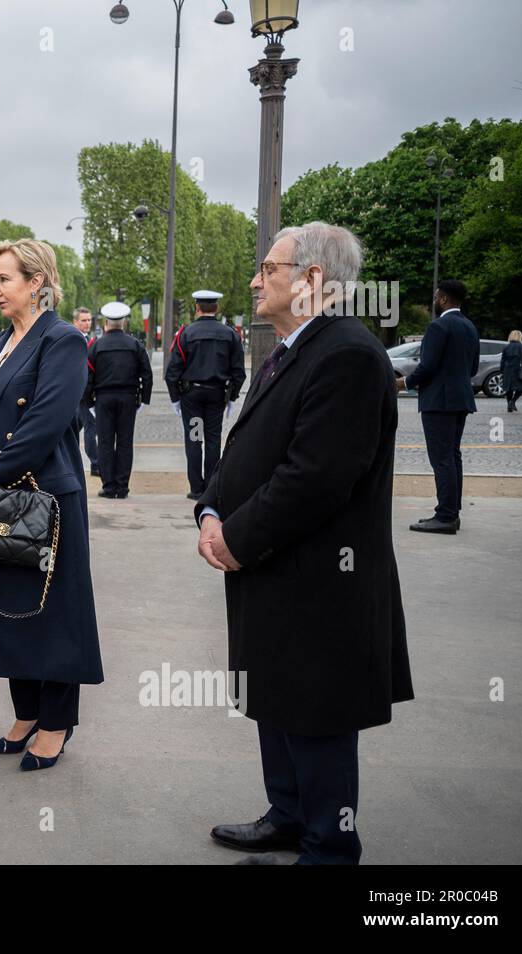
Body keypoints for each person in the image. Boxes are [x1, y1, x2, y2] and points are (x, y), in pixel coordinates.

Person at [196, 222, 413, 865]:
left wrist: (237, 537)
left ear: (312, 279)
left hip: (321, 581)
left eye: (271, 266)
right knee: (276, 697)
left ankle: (328, 843)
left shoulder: (346, 353)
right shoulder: (292, 346)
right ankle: (288, 815)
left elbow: (315, 478)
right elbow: (244, 447)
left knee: (316, 713)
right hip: (274, 571)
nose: (257, 278)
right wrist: (211, 507)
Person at [0, 238, 103, 771]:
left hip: (42, 499)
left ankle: (56, 722)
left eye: (5, 279)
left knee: (53, 613)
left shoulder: (61, 340)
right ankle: (26, 712)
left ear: (36, 283)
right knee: (9, 605)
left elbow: (45, 423)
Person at [401, 279, 479, 534]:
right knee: (453, 456)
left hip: (439, 401)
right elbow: (474, 368)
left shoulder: (439, 326)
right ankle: (451, 513)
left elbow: (428, 366)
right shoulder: (469, 326)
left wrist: (402, 384)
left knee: (442, 459)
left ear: (443, 299)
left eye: (436, 296)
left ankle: (445, 516)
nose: (434, 300)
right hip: (461, 398)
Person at [165, 290, 246, 500]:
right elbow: (239, 372)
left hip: (192, 395)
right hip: (217, 394)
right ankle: (210, 487)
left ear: (197, 308)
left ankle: (195, 487)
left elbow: (173, 371)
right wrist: (233, 397)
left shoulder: (186, 333)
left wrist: (175, 398)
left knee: (194, 438)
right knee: (212, 440)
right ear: (216, 308)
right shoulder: (229, 334)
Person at [89, 301, 152, 498]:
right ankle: (123, 486)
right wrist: (144, 398)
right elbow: (147, 374)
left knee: (105, 442)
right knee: (125, 442)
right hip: (128, 397)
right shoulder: (135, 345)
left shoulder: (97, 346)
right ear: (124, 323)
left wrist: (89, 401)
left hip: (103, 397)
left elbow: (87, 375)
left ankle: (108, 486)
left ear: (106, 323)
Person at [72, 306, 100, 476]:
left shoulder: (91, 339)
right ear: (75, 322)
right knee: (89, 427)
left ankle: (71, 460)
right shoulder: (73, 340)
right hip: (79, 390)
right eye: (83, 320)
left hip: (86, 390)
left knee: (76, 427)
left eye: (89, 320)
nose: (87, 323)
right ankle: (96, 464)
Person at [501, 330, 522, 413]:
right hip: (519, 370)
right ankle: (512, 401)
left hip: (507, 371)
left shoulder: (506, 347)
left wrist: (502, 371)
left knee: (509, 389)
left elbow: (502, 361)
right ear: (519, 336)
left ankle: (509, 406)